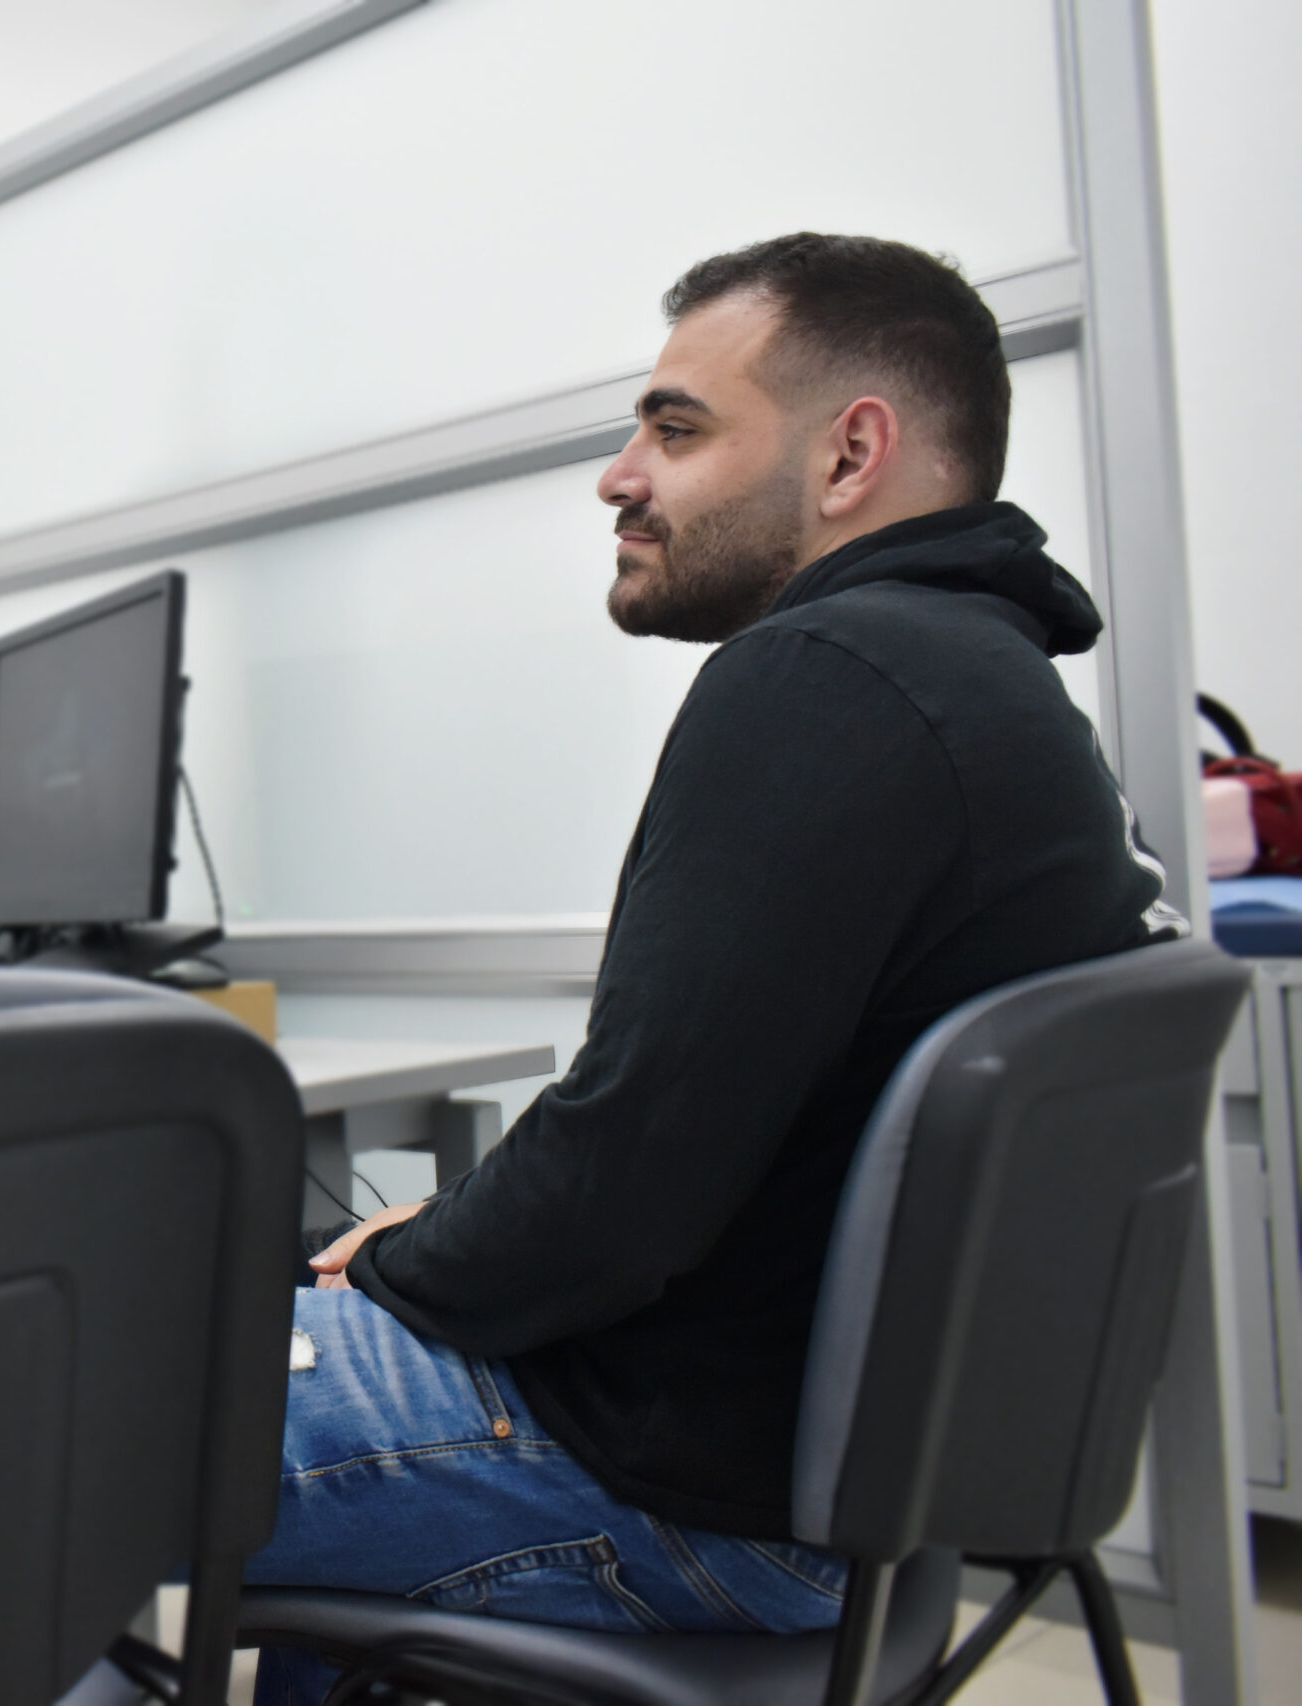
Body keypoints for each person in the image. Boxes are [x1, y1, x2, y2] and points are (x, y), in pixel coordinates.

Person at [243, 235, 1184, 1701]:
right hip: (840, 1475)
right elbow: (685, 1142)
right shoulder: (989, 681)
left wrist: (412, 1256)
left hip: (678, 1485)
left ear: (850, 452)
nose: (621, 475)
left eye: (675, 428)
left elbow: (618, 1197)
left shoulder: (826, 677)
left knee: (47, 1436)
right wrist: (460, 1232)